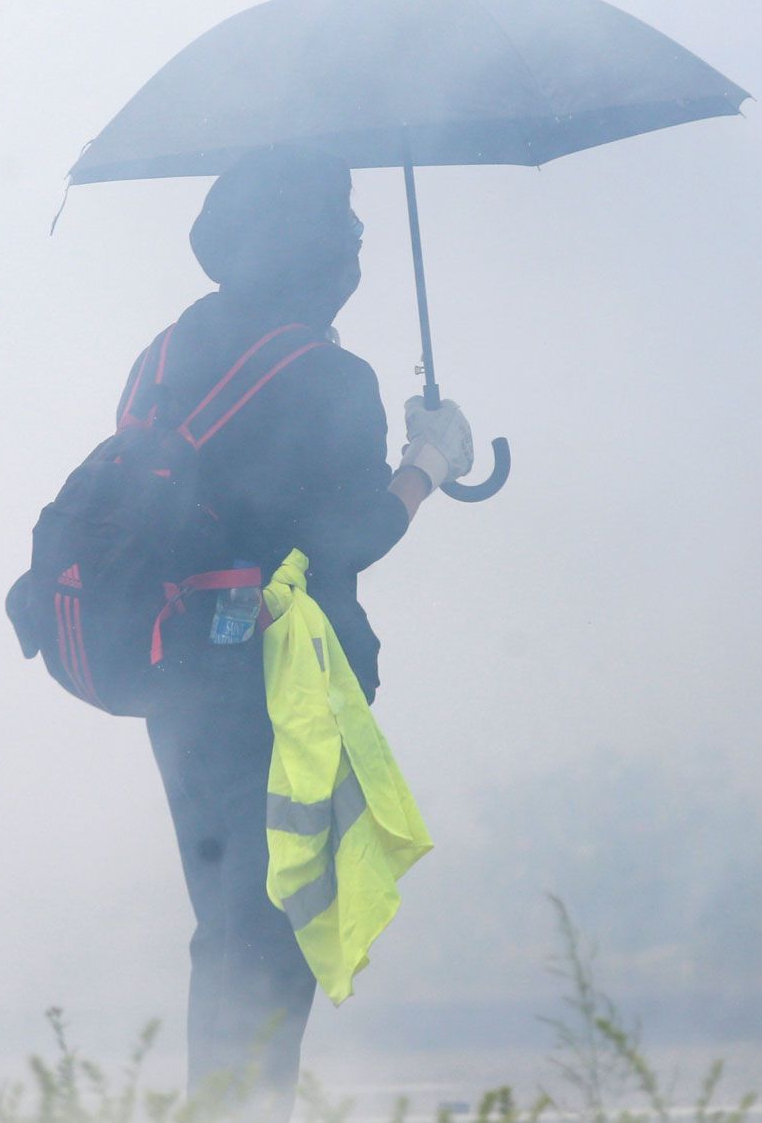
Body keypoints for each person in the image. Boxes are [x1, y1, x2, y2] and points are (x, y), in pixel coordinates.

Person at [132, 145, 473, 1117]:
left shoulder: (159, 358)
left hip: (171, 680)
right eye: (347, 233)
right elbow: (348, 536)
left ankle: (221, 1105)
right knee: (273, 930)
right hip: (276, 689)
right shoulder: (326, 374)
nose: (356, 251)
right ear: (313, 251)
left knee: (223, 925)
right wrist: (427, 461)